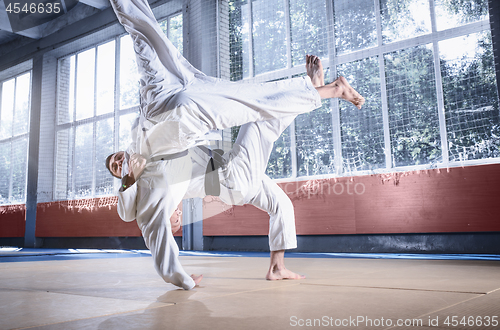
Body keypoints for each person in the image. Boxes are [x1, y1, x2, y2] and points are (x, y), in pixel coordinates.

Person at [107, 0, 364, 290]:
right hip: (234, 173)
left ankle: (277, 268)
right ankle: (323, 90)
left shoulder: (140, 143)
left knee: (281, 204)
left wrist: (127, 170)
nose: (117, 163)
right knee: (259, 115)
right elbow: (145, 224)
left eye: (114, 159)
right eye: (115, 169)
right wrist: (179, 277)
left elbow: (144, 214)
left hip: (179, 110)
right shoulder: (157, 187)